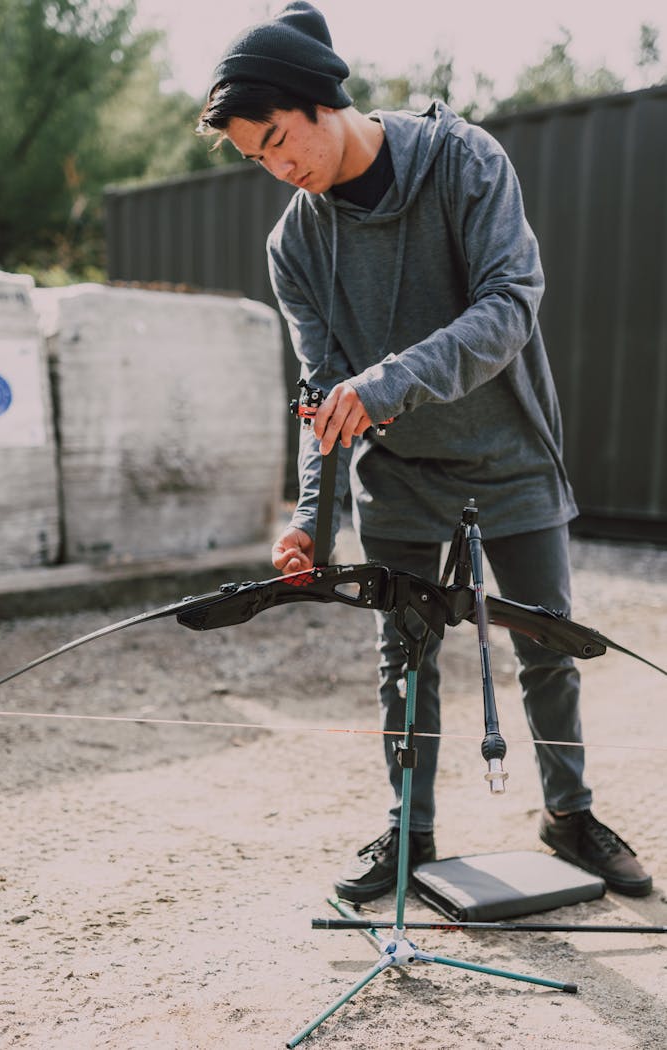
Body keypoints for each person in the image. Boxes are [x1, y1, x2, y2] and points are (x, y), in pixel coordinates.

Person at [196, 1, 652, 900]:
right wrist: (309, 527)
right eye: (260, 160)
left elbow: (511, 303)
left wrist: (387, 384)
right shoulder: (295, 240)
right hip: (397, 477)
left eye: (282, 140)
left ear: (324, 100)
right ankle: (412, 834)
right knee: (403, 656)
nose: (281, 169)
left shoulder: (464, 161)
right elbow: (320, 391)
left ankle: (569, 815)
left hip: (508, 454)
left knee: (547, 647)